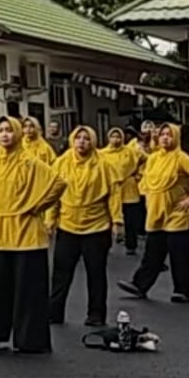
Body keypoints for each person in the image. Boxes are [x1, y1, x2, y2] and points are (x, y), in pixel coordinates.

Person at [0, 117, 64, 354]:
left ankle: (30, 339)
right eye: (1, 130)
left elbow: (58, 184)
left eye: (9, 130)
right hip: (0, 233)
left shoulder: (29, 161)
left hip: (28, 235)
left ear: (18, 134)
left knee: (28, 290)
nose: (5, 135)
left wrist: (37, 207)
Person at [117, 122, 189, 302]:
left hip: (177, 214)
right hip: (156, 212)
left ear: (176, 137)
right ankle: (139, 285)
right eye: (162, 135)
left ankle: (182, 291)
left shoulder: (181, 158)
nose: (166, 138)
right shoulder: (153, 159)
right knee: (153, 253)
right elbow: (146, 180)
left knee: (180, 255)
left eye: (169, 134)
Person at [49, 126, 119, 327]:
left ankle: (96, 314)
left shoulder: (104, 164)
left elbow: (114, 194)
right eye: (78, 138)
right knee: (61, 273)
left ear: (93, 141)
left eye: (86, 138)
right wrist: (49, 220)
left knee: (96, 273)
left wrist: (117, 221)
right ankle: (54, 311)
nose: (81, 142)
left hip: (96, 226)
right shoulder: (61, 163)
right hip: (68, 224)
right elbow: (53, 194)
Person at [99, 127, 145, 255]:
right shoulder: (102, 154)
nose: (116, 139)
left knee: (131, 219)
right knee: (106, 220)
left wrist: (139, 174)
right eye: (113, 137)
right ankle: (105, 244)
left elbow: (146, 159)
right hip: (110, 190)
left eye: (118, 137)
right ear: (109, 138)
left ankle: (131, 245)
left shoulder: (131, 152)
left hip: (128, 189)